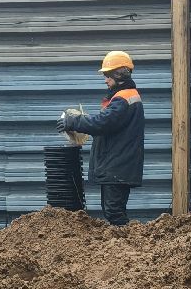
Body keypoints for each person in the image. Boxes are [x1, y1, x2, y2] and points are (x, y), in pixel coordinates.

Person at [58, 51, 144, 227]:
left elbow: (103, 123)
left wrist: (74, 121)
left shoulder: (123, 99)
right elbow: (106, 123)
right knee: (112, 210)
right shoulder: (123, 97)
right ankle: (124, 246)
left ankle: (130, 248)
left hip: (118, 165)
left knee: (114, 212)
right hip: (117, 165)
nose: (105, 80)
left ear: (119, 74)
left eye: (107, 75)